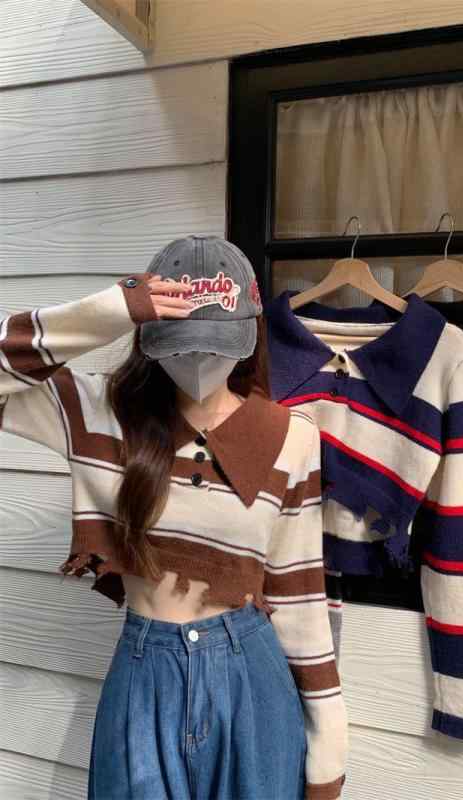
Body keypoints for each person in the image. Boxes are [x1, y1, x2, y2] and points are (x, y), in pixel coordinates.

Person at [0, 235, 348, 800]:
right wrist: (112, 309)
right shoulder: (99, 413)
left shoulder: (292, 436)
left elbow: (299, 594)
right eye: (182, 345)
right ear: (149, 337)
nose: (200, 362)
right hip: (144, 674)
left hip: (251, 674)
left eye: (216, 344)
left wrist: (329, 748)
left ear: (249, 333)